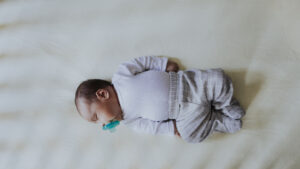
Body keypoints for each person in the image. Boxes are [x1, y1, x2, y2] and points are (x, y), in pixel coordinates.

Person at [74, 56, 245, 143]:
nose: (102, 124)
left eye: (96, 117)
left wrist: (163, 64)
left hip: (186, 84)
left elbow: (142, 62)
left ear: (103, 94)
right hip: (182, 114)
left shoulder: (121, 76)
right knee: (189, 134)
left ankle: (227, 105)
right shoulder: (129, 120)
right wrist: (171, 129)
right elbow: (152, 128)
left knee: (218, 79)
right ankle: (218, 121)